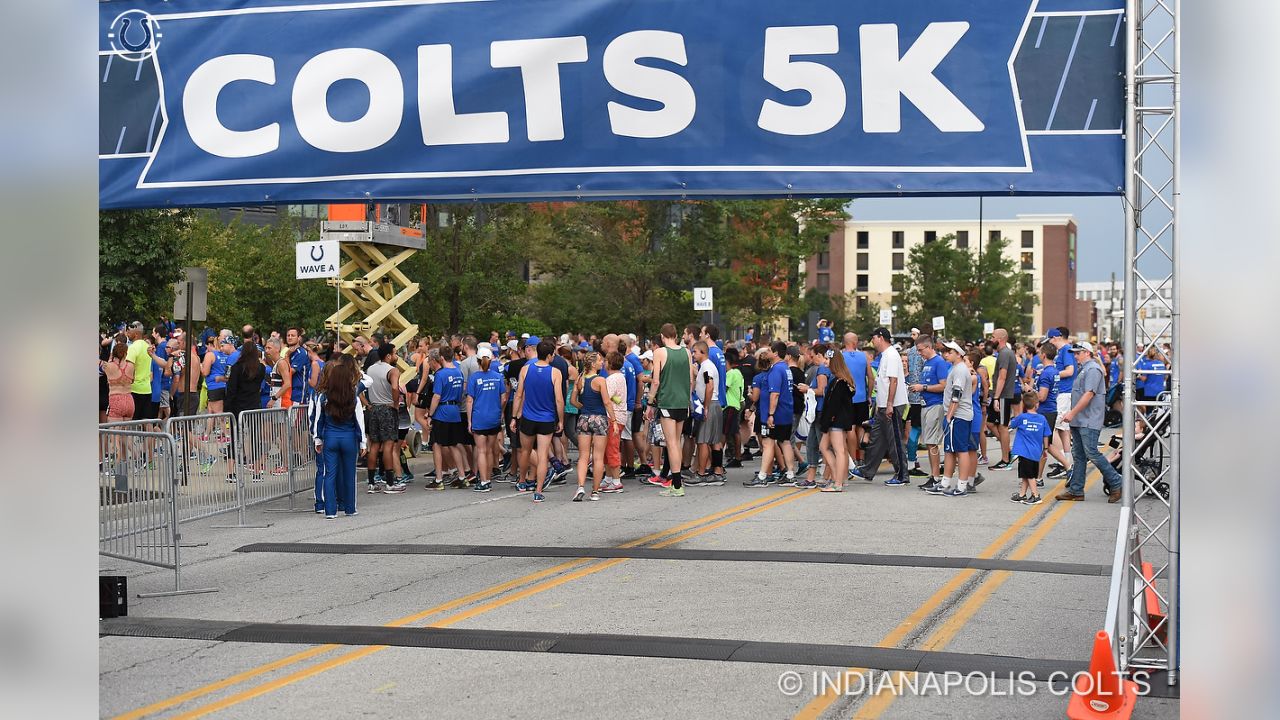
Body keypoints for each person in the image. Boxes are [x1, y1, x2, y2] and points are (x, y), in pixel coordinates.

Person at [1057, 341, 1124, 502]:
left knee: (1091, 453)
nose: (1075, 356)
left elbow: (1088, 394)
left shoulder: (1092, 369)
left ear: (1087, 352)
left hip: (1088, 419)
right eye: (1074, 353)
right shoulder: (1085, 369)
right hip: (1081, 419)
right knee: (1079, 455)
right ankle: (1076, 490)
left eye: (1078, 353)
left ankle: (1116, 481)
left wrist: (1072, 413)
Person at [310, 355, 367, 518]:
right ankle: (350, 508)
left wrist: (317, 439)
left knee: (330, 474)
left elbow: (318, 421)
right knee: (350, 474)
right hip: (349, 438)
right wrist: (363, 442)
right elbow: (359, 421)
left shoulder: (324, 397)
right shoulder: (353, 397)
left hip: (330, 437)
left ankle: (330, 510)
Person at [512, 338, 564, 503]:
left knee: (525, 451)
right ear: (549, 355)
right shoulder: (555, 372)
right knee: (542, 455)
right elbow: (559, 400)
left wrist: (514, 417)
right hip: (547, 418)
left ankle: (522, 481)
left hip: (528, 416)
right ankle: (538, 491)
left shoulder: (526, 369)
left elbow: (519, 395)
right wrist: (560, 419)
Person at [856, 328, 910, 486]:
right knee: (877, 439)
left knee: (895, 442)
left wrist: (889, 404)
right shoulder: (885, 355)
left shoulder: (892, 355)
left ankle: (902, 475)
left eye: (873, 338)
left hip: (891, 405)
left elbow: (893, 381)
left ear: (881, 338)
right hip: (882, 405)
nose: (872, 341)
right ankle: (867, 470)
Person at [647, 323, 694, 497]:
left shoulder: (659, 352)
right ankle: (676, 481)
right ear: (675, 335)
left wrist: (650, 402)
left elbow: (656, 381)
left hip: (667, 401)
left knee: (671, 443)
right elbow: (691, 379)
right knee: (677, 441)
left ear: (662, 336)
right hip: (682, 401)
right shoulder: (687, 352)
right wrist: (687, 398)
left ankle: (676, 484)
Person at [746, 340, 797, 488]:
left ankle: (762, 476)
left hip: (776, 413)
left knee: (768, 443)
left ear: (775, 353)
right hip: (786, 411)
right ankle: (790, 474)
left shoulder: (776, 370)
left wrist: (770, 414)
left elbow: (774, 394)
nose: (767, 353)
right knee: (785, 441)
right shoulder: (786, 368)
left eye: (769, 350)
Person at [929, 340, 974, 497]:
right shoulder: (955, 368)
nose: (945, 354)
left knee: (961, 450)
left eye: (949, 351)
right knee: (949, 450)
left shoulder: (960, 370)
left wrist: (949, 416)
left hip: (958, 415)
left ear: (958, 354)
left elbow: (957, 395)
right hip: (956, 415)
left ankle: (962, 486)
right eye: (944, 351)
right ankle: (945, 483)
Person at [364, 344, 407, 494]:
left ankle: (371, 483)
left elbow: (362, 387)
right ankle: (390, 483)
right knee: (388, 445)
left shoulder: (370, 369)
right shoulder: (392, 370)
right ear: (388, 356)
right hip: (387, 409)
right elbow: (395, 388)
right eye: (395, 353)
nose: (397, 356)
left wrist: (367, 404)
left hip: (374, 408)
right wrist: (395, 403)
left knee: (374, 445)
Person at [426, 344, 470, 489]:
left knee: (437, 444)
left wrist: (430, 414)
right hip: (455, 410)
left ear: (442, 358)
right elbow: (461, 393)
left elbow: (437, 396)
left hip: (442, 411)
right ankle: (462, 476)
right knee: (454, 444)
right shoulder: (458, 372)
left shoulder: (441, 374)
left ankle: (439, 479)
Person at [910, 336, 950, 493]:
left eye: (921, 350)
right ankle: (934, 476)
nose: (920, 353)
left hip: (935, 404)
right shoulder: (927, 363)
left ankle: (936, 477)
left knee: (932, 442)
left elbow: (943, 385)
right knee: (928, 441)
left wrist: (923, 387)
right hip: (925, 404)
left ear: (928, 347)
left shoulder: (939, 362)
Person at [466, 344, 506, 493]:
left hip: (479, 417)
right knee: (489, 450)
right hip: (494, 418)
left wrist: (470, 421)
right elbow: (503, 398)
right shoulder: (498, 377)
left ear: (477, 361)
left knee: (481, 451)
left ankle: (483, 481)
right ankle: (488, 478)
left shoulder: (474, 378)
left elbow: (469, 401)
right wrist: (500, 412)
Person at [570, 351, 609, 501]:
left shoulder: (580, 378)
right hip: (599, 418)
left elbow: (573, 400)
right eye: (600, 360)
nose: (602, 362)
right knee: (598, 457)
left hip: (584, 418)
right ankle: (595, 491)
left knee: (583, 456)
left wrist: (582, 406)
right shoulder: (600, 380)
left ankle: (580, 486)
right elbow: (606, 401)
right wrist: (612, 418)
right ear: (593, 364)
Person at [817, 348, 855, 492]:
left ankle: (837, 482)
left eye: (827, 359)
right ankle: (839, 478)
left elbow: (833, 405)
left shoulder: (839, 382)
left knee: (839, 450)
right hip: (838, 420)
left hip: (836, 421)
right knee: (831, 448)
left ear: (834, 361)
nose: (825, 361)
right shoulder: (842, 380)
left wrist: (826, 422)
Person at [689, 341, 725, 485]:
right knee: (715, 441)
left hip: (710, 404)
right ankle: (717, 472)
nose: (693, 354)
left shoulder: (707, 367)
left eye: (695, 352)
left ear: (702, 352)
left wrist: (705, 407)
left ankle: (701, 473)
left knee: (702, 440)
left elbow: (709, 386)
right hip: (715, 404)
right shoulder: (706, 366)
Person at [1035, 343, 1071, 481]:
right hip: (1052, 409)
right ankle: (1067, 466)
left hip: (1044, 411)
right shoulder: (1055, 371)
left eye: (1040, 353)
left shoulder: (1046, 373)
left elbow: (1042, 396)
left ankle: (1038, 478)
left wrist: (1030, 392)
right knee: (1047, 445)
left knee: (1043, 446)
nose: (1039, 355)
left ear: (1043, 355)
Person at [1008, 391, 1051, 505]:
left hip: (1024, 452)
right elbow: (1046, 434)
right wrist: (1045, 449)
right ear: (1037, 404)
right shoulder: (1042, 419)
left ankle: (1035, 495)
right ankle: (1022, 494)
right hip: (1036, 452)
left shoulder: (1022, 417)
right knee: (1026, 475)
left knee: (1030, 475)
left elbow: (1011, 425)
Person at [841, 332, 874, 472]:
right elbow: (871, 377)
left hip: (848, 397)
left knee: (850, 428)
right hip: (861, 396)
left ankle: (852, 459)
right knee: (862, 426)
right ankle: (862, 458)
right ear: (855, 343)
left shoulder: (841, 356)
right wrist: (869, 394)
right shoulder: (864, 356)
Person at [989, 328, 1020, 470]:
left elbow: (1002, 377)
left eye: (993, 336)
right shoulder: (1003, 353)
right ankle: (1007, 451)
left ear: (1000, 339)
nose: (991, 339)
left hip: (1003, 395)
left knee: (1003, 426)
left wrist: (996, 397)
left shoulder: (1005, 354)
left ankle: (1006, 459)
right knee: (990, 423)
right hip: (1000, 394)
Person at [602, 351, 628, 493]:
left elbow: (607, 397)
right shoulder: (620, 377)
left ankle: (616, 481)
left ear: (610, 363)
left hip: (614, 417)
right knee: (608, 448)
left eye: (606, 361)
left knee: (612, 449)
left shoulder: (611, 379)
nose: (604, 363)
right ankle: (608, 478)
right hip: (621, 415)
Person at [125, 322, 155, 420]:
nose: (127, 333)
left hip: (134, 389)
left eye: (130, 331)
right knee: (147, 421)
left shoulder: (132, 348)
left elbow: (129, 369)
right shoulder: (147, 346)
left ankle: (131, 436)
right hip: (147, 389)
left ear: (137, 334)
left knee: (131, 422)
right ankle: (151, 436)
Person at [101, 343, 136, 422]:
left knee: (115, 432)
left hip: (115, 399)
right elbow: (133, 380)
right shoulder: (131, 366)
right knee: (127, 432)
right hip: (129, 399)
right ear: (125, 353)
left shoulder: (108, 366)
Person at [723, 347, 745, 468]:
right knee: (734, 432)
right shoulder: (738, 372)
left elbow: (725, 388)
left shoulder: (730, 373)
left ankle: (721, 457)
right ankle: (737, 456)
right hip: (736, 404)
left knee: (725, 432)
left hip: (730, 405)